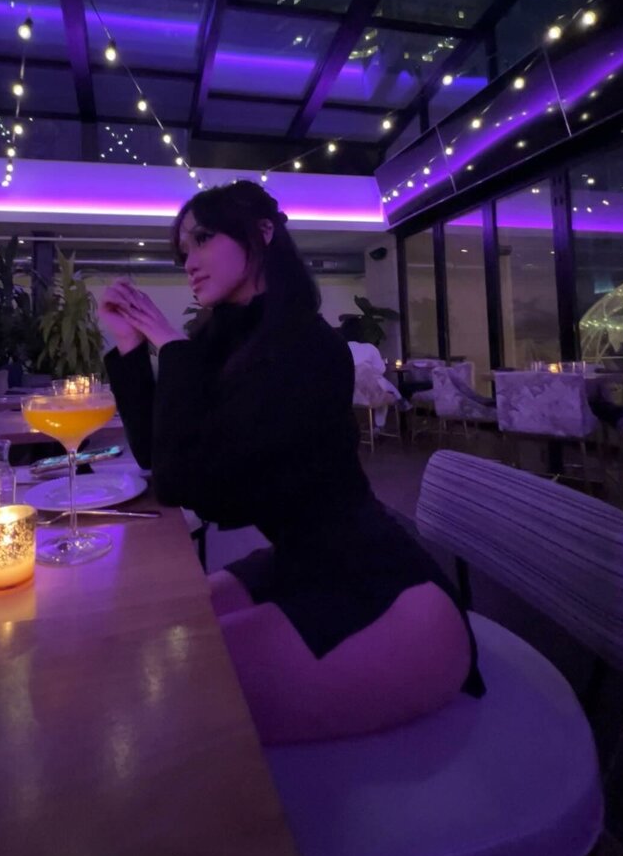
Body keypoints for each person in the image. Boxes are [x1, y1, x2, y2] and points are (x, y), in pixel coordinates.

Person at [100, 181, 484, 745]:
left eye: (203, 239)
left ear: (262, 234)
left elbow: (187, 484)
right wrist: (132, 347)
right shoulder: (227, 340)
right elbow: (160, 456)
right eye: (183, 250)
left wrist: (172, 346)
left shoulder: (307, 347)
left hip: (387, 592)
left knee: (174, 690)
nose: (190, 262)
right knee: (147, 639)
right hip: (300, 562)